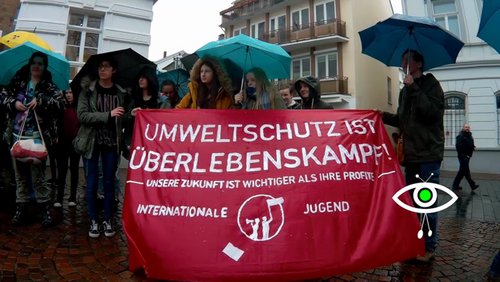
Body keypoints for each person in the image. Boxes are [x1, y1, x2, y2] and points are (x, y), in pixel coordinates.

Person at [381, 49, 444, 262]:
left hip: (428, 155)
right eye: (402, 60)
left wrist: (414, 88)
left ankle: (428, 246)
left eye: (406, 60)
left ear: (418, 63)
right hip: (411, 157)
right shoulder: (404, 91)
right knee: (412, 203)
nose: (403, 63)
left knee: (426, 203)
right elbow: (402, 120)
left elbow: (433, 114)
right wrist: (381, 116)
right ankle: (414, 242)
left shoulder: (431, 85)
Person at [4, 51, 64, 227]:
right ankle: (21, 208)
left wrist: (42, 100)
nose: (36, 66)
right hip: (17, 135)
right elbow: (3, 96)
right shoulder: (18, 82)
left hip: (38, 137)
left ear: (44, 67)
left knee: (38, 177)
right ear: (29, 65)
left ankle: (44, 209)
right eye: (34, 63)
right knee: (20, 176)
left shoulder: (49, 86)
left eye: (40, 64)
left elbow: (60, 105)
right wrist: (14, 103)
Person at [73, 55, 128, 238]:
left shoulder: (120, 92)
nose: (102, 70)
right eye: (100, 67)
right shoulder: (87, 91)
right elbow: (83, 116)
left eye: (106, 67)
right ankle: (94, 220)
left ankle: (108, 219)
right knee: (92, 182)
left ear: (114, 70)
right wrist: (107, 115)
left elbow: (122, 117)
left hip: (112, 143)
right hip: (92, 142)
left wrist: (130, 114)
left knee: (110, 182)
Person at [123, 68, 160, 159]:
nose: (141, 80)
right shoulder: (132, 100)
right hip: (134, 141)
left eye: (144, 77)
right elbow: (123, 120)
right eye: (139, 78)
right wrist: (131, 115)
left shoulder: (158, 101)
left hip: (152, 143)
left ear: (150, 79)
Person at [54, 89, 81, 208]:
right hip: (62, 142)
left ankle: (73, 197)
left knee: (74, 170)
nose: (69, 95)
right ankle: (59, 198)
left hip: (75, 142)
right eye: (67, 93)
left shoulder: (80, 107)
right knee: (62, 170)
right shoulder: (60, 107)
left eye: (71, 92)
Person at [452, 123, 479, 192]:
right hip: (463, 157)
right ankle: (472, 185)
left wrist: (473, 147)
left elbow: (470, 144)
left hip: (468, 156)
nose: (467, 128)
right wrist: (462, 155)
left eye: (468, 127)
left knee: (462, 171)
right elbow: (458, 146)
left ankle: (455, 185)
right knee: (466, 171)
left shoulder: (470, 136)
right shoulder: (460, 136)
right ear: (463, 128)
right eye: (466, 127)